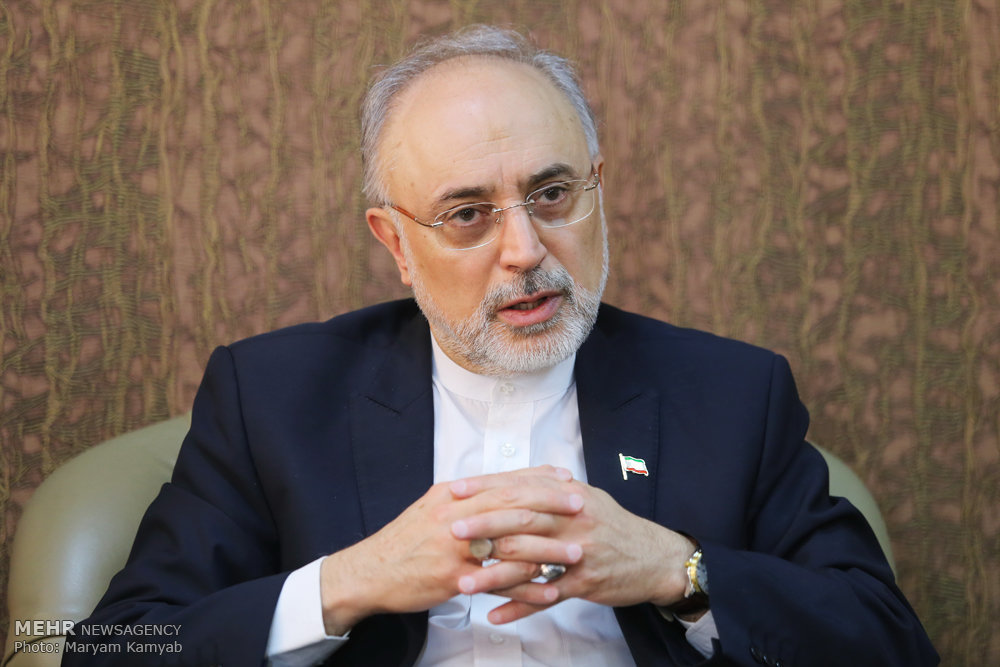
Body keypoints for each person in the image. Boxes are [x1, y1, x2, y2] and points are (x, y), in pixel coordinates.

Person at [65, 25, 938, 666]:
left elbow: (890, 642)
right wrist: (352, 580)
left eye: (552, 194)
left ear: (597, 191)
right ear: (395, 241)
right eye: (467, 214)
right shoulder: (272, 397)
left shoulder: (732, 394)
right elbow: (108, 645)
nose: (523, 250)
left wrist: (678, 570)